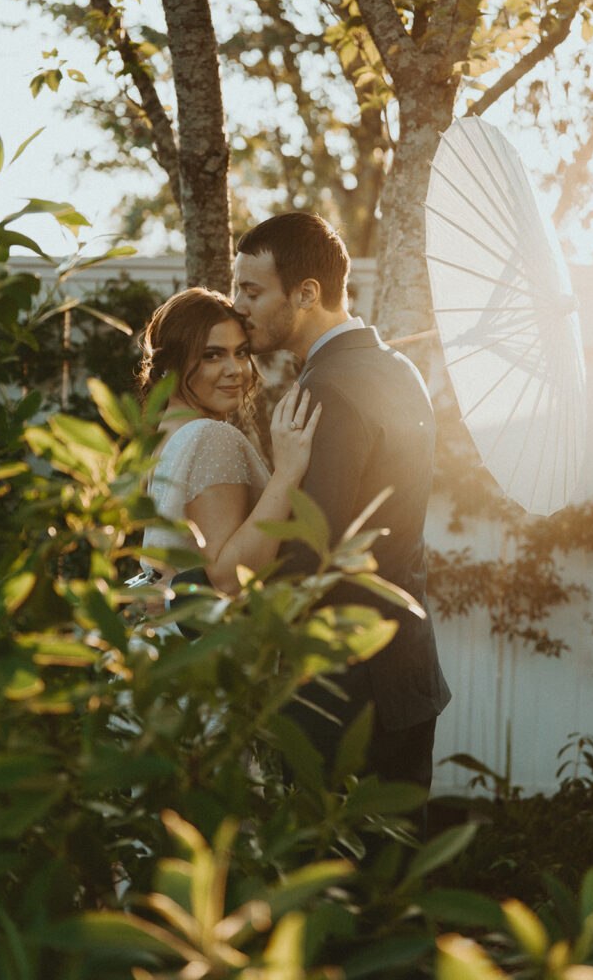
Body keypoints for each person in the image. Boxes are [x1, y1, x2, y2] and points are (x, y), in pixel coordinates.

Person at [232, 212, 451, 797]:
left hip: (342, 693)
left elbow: (310, 556)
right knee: (394, 878)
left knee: (332, 878)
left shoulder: (324, 389)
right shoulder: (398, 368)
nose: (237, 306)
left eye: (251, 291)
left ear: (306, 294)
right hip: (405, 674)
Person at [137, 287, 321, 591]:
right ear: (170, 364)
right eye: (212, 356)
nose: (235, 370)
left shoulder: (163, 437)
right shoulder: (211, 436)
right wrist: (287, 474)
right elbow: (228, 578)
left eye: (241, 352)